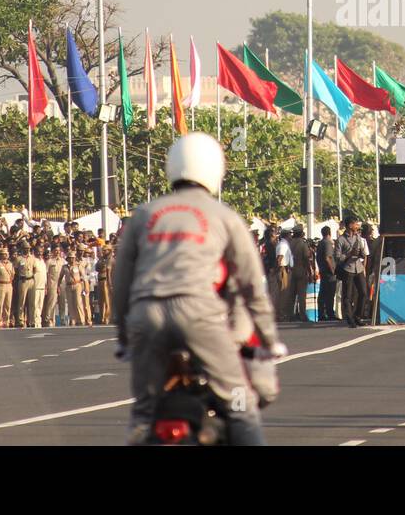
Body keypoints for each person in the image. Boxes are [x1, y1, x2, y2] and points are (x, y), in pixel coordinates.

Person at [112, 132, 284, 446]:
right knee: (240, 404)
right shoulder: (225, 216)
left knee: (142, 414)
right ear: (215, 171)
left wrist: (123, 336)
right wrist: (270, 340)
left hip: (145, 314)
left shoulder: (145, 215)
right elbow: (251, 284)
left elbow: (121, 279)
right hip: (199, 314)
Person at [335, 216, 370, 327]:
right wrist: (349, 254)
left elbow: (362, 252)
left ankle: (357, 316)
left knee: (364, 293)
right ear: (350, 225)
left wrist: (361, 254)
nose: (357, 226)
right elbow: (338, 257)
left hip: (358, 268)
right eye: (355, 224)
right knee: (347, 296)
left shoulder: (358, 237)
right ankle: (350, 319)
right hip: (348, 269)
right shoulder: (341, 240)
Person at [288, 227, 312, 323]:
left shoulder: (289, 243)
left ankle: (290, 314)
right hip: (301, 270)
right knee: (301, 295)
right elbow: (306, 258)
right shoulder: (303, 244)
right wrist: (310, 272)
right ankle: (302, 315)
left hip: (290, 270)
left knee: (292, 295)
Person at [316, 226, 338, 321]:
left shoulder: (320, 243)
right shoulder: (328, 243)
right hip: (329, 272)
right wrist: (333, 270)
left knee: (323, 293)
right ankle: (330, 313)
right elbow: (328, 257)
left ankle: (321, 314)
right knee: (330, 294)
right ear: (330, 233)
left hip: (323, 270)